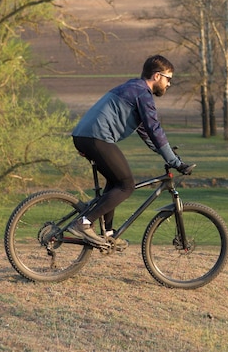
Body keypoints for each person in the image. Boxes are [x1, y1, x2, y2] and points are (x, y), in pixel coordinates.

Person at [69, 55, 194, 247]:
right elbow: (155, 129)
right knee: (127, 184)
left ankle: (107, 233)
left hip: (85, 136)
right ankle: (84, 223)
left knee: (115, 181)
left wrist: (170, 156)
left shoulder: (134, 88)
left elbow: (147, 133)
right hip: (96, 137)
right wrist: (176, 163)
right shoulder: (143, 94)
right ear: (157, 76)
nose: (169, 84)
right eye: (168, 79)